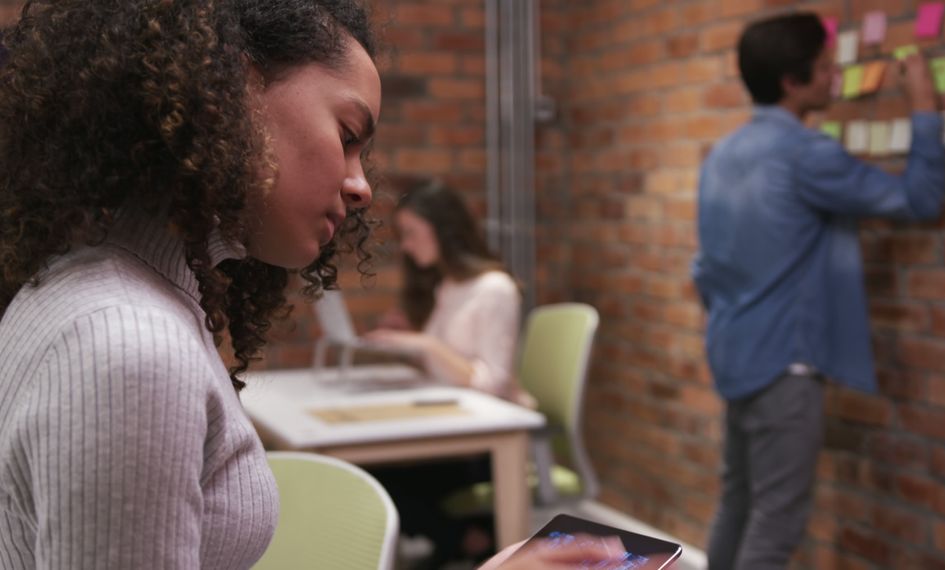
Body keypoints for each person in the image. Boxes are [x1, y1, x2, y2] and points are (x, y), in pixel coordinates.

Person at [0, 1, 622, 569]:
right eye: (348, 137)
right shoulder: (128, 346)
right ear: (231, 89)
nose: (362, 186)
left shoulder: (92, 294)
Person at [691, 12, 945, 570]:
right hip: (786, 366)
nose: (836, 77)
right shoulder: (807, 154)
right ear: (792, 80)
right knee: (775, 523)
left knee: (738, 502)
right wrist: (924, 104)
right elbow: (920, 200)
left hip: (734, 354)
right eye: (827, 66)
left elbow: (703, 271)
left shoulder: (724, 155)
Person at [364, 180, 531, 568]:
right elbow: (444, 370)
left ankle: (469, 539)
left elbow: (492, 381)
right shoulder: (449, 285)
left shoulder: (495, 288)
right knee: (370, 475)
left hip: (481, 443)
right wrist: (408, 342)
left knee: (376, 482)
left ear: (443, 230)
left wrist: (425, 344)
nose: (405, 245)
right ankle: (465, 540)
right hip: (450, 429)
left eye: (411, 234)